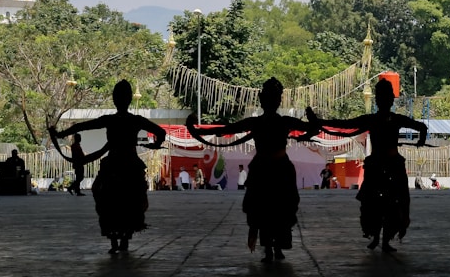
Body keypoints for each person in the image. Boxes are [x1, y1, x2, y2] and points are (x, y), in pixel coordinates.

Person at [185, 77, 316, 263]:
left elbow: (224, 129)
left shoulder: (273, 122)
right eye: (269, 98)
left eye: (273, 97)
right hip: (270, 169)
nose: (271, 101)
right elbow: (225, 129)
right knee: (266, 209)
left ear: (276, 100)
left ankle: (275, 247)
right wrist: (312, 122)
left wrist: (194, 127)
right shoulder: (274, 122)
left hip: (272, 169)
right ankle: (272, 248)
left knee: (277, 209)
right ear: (265, 100)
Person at [306, 78, 428, 253]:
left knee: (395, 201)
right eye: (382, 97)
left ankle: (384, 239)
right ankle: (379, 238)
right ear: (382, 100)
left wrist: (320, 122)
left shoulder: (382, 119)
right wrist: (420, 141)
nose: (384, 100)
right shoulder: (387, 119)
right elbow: (421, 127)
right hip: (381, 165)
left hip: (387, 165)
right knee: (375, 202)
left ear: (385, 100)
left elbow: (344, 124)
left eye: (385, 97)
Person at [50, 79, 166, 254]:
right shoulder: (136, 120)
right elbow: (161, 132)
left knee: (103, 195)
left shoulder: (110, 120)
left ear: (115, 99)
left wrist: (60, 134)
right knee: (134, 198)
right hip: (130, 164)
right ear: (128, 99)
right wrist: (157, 144)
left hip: (113, 164)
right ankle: (125, 237)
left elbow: (83, 126)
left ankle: (114, 240)